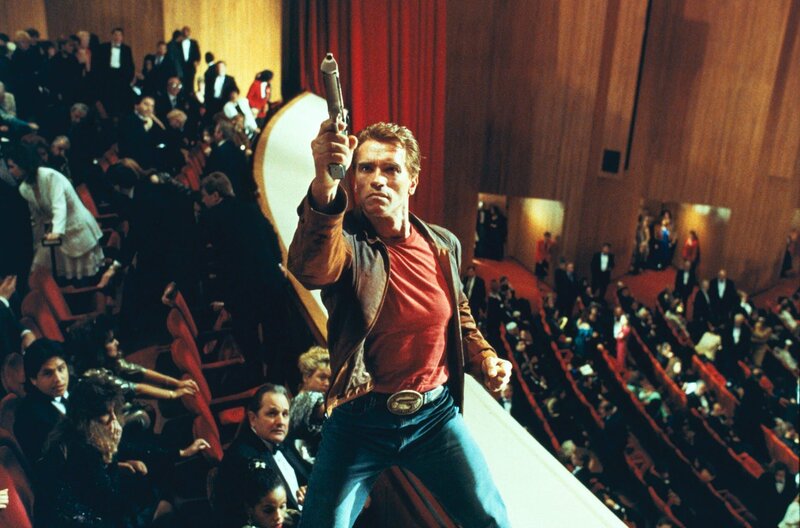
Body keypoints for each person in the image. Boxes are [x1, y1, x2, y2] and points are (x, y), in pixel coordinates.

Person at [288, 119, 512, 527]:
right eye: (366, 168)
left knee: (491, 519)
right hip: (360, 419)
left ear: (412, 181)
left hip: (434, 416)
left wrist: (486, 358)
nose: (377, 179)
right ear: (353, 179)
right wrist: (323, 183)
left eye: (391, 169)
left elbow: (459, 315)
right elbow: (309, 269)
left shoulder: (443, 244)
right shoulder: (343, 240)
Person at [35, 376, 182, 527]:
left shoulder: (75, 431)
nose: (114, 419)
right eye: (107, 413)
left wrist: (180, 453)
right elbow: (110, 503)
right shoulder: (80, 450)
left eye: (114, 412)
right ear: (88, 417)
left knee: (152, 490)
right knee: (164, 507)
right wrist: (111, 454)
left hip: (86, 510)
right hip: (75, 521)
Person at [199, 173, 288, 380]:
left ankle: (255, 381)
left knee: (247, 339)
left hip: (242, 291)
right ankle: (275, 381)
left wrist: (220, 296)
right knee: (275, 337)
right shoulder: (251, 208)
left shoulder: (210, 218)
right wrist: (277, 263)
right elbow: (272, 235)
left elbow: (213, 260)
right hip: (271, 281)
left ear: (215, 195)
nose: (203, 201)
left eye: (204, 196)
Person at [7, 143, 104, 282]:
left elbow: (59, 206)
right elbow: (37, 219)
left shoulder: (49, 175)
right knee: (41, 269)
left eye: (12, 167)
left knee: (83, 277)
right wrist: (37, 244)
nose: (10, 171)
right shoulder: (24, 188)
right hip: (57, 232)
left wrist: (56, 232)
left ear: (23, 163)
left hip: (76, 226)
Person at [216, 385, 309, 516]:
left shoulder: (284, 443)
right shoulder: (242, 459)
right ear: (253, 419)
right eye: (272, 413)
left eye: (285, 414)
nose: (281, 421)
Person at [14, 338, 71, 462]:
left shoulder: (78, 388)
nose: (59, 379)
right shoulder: (28, 417)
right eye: (48, 373)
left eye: (61, 369)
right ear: (33, 379)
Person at [289, 346, 331, 463]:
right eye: (322, 377)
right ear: (306, 377)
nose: (327, 383)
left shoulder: (296, 399)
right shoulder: (311, 397)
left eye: (330, 378)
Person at [92, 27, 135, 118]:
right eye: (115, 35)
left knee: (120, 103)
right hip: (107, 79)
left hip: (121, 80)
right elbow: (98, 65)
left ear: (122, 37)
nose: (117, 37)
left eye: (119, 35)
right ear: (111, 36)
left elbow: (130, 66)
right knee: (108, 103)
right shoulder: (103, 47)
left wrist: (127, 80)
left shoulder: (126, 49)